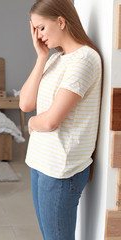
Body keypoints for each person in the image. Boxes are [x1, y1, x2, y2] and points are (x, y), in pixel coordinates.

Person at [19, 0, 102, 239]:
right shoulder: (56, 59)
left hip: (61, 170)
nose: (38, 35)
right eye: (34, 30)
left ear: (61, 21)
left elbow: (49, 122)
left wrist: (32, 124)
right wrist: (41, 58)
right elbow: (25, 104)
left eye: (41, 28)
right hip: (41, 162)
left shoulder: (84, 59)